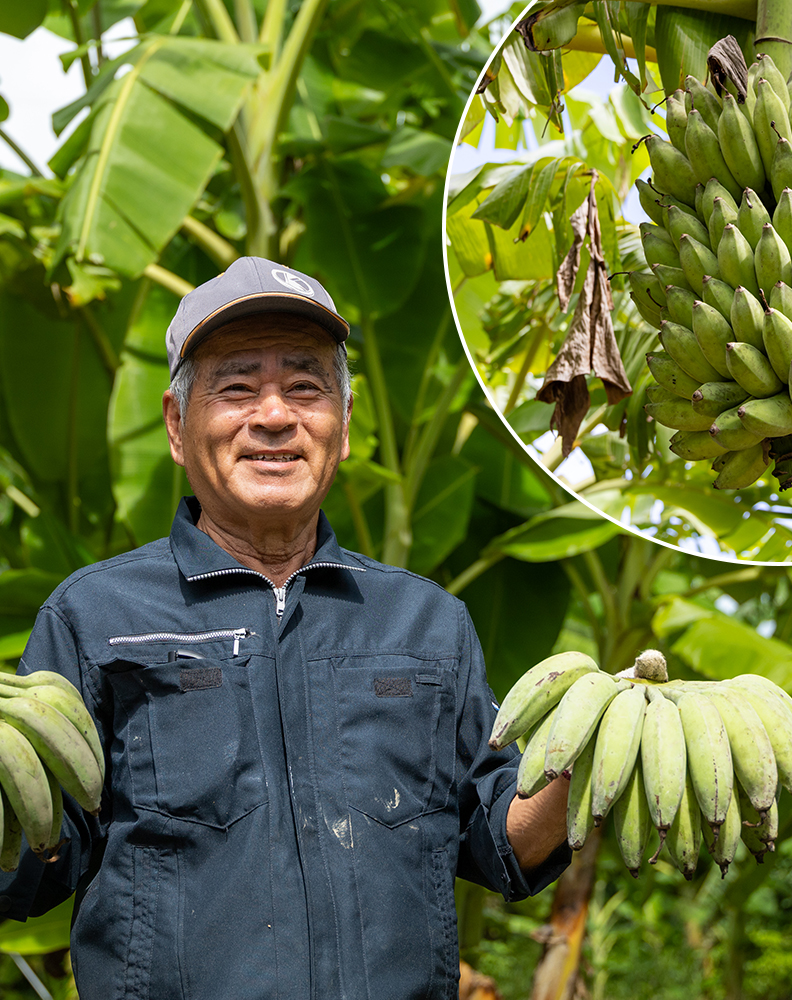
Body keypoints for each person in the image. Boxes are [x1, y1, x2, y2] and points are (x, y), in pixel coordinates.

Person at [0, 257, 573, 999]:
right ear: (177, 424)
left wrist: (595, 753)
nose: (274, 415)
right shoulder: (95, 618)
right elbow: (34, 863)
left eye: (305, 387)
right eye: (237, 387)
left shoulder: (428, 623)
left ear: (343, 422)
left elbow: (500, 841)